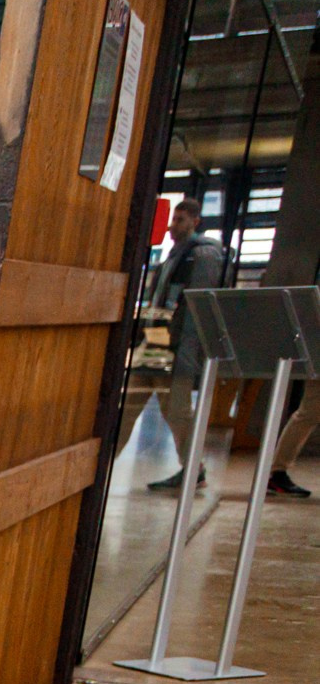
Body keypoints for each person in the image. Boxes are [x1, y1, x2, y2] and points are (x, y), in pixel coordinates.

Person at [147, 199, 234, 493]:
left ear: (196, 221)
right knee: (170, 409)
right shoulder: (175, 256)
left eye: (181, 220)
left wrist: (186, 352)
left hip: (177, 347)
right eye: (173, 220)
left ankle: (194, 468)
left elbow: (196, 310)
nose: (173, 226)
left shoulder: (203, 256)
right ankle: (193, 468)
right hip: (158, 344)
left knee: (178, 410)